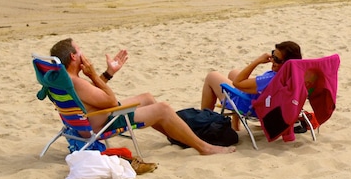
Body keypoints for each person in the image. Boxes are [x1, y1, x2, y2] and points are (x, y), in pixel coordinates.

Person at [50, 38, 235, 156]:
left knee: (147, 97)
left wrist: (108, 73)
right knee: (163, 108)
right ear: (74, 57)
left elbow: (93, 96)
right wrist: (93, 76)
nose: (84, 52)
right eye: (79, 49)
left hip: (93, 117)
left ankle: (178, 136)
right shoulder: (78, 81)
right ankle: (204, 147)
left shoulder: (65, 80)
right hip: (104, 121)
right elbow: (111, 102)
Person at [200, 41, 302, 125]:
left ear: (287, 64)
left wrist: (257, 61)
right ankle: (236, 126)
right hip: (273, 105)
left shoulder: (271, 79)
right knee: (233, 73)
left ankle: (203, 121)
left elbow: (237, 83)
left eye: (276, 59)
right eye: (273, 55)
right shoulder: (295, 76)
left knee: (212, 76)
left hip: (250, 106)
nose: (272, 61)